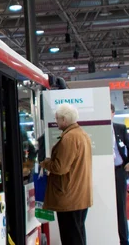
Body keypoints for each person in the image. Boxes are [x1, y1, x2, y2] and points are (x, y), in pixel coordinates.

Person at [40, 104, 92, 245]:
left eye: (57, 119)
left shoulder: (69, 138)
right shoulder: (81, 134)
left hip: (69, 196)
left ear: (64, 119)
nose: (56, 122)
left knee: (71, 236)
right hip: (78, 194)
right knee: (78, 233)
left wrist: (45, 163)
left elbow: (60, 167)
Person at [112, 103, 129, 245]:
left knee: (121, 206)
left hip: (118, 170)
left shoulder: (119, 128)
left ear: (113, 113)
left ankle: (124, 239)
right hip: (102, 172)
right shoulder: (96, 128)